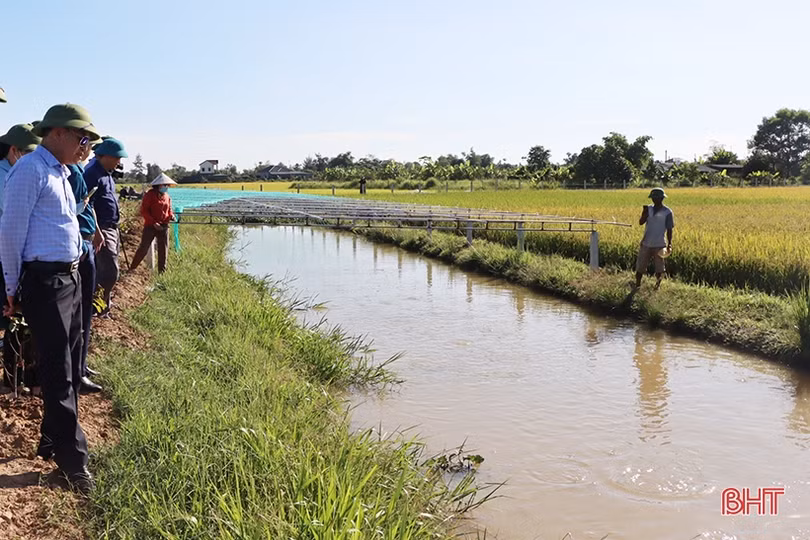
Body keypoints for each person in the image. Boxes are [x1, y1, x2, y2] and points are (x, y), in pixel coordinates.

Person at [0, 103, 101, 494]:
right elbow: (11, 233)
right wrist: (11, 287)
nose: (85, 146)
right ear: (57, 133)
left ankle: (50, 439)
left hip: (69, 278)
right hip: (45, 282)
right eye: (82, 138)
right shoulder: (30, 170)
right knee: (58, 373)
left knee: (70, 364)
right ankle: (73, 461)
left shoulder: (62, 172)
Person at [67, 144, 104, 394]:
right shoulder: (67, 170)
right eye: (83, 141)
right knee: (78, 313)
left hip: (85, 242)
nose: (87, 147)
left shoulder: (76, 169)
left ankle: (81, 366)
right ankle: (76, 373)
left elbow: (86, 206)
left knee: (84, 311)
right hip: (77, 245)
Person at [84, 138, 128, 316]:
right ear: (105, 156)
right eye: (117, 157)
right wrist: (97, 232)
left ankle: (103, 305)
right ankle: (96, 306)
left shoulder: (107, 174)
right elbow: (87, 205)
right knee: (108, 271)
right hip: (101, 228)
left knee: (107, 268)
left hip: (111, 228)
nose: (119, 161)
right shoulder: (92, 174)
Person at [129, 174, 176, 273]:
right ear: (158, 185)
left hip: (164, 225)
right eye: (164, 185)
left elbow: (169, 209)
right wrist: (154, 223)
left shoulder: (167, 196)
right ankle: (132, 268)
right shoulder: (149, 195)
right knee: (144, 248)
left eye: (167, 185)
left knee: (163, 249)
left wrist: (171, 216)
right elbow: (144, 211)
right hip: (150, 226)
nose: (166, 187)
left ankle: (162, 272)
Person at [634, 187, 674, 290]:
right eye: (653, 198)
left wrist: (669, 243)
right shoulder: (648, 209)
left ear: (662, 198)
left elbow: (669, 229)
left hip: (660, 244)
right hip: (646, 242)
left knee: (659, 268)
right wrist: (644, 214)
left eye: (656, 198)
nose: (654, 200)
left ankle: (657, 286)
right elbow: (641, 222)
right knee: (640, 266)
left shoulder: (667, 212)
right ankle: (637, 285)